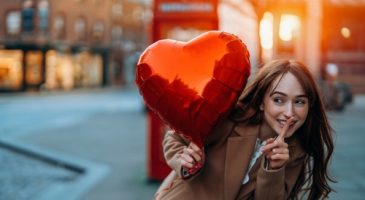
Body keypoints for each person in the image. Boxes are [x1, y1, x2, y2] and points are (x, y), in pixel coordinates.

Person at [154, 59, 335, 200]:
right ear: (262, 102)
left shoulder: (296, 151)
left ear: (309, 106)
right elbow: (175, 136)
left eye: (299, 102)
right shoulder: (229, 116)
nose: (289, 113)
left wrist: (273, 169)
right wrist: (183, 159)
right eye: (278, 100)